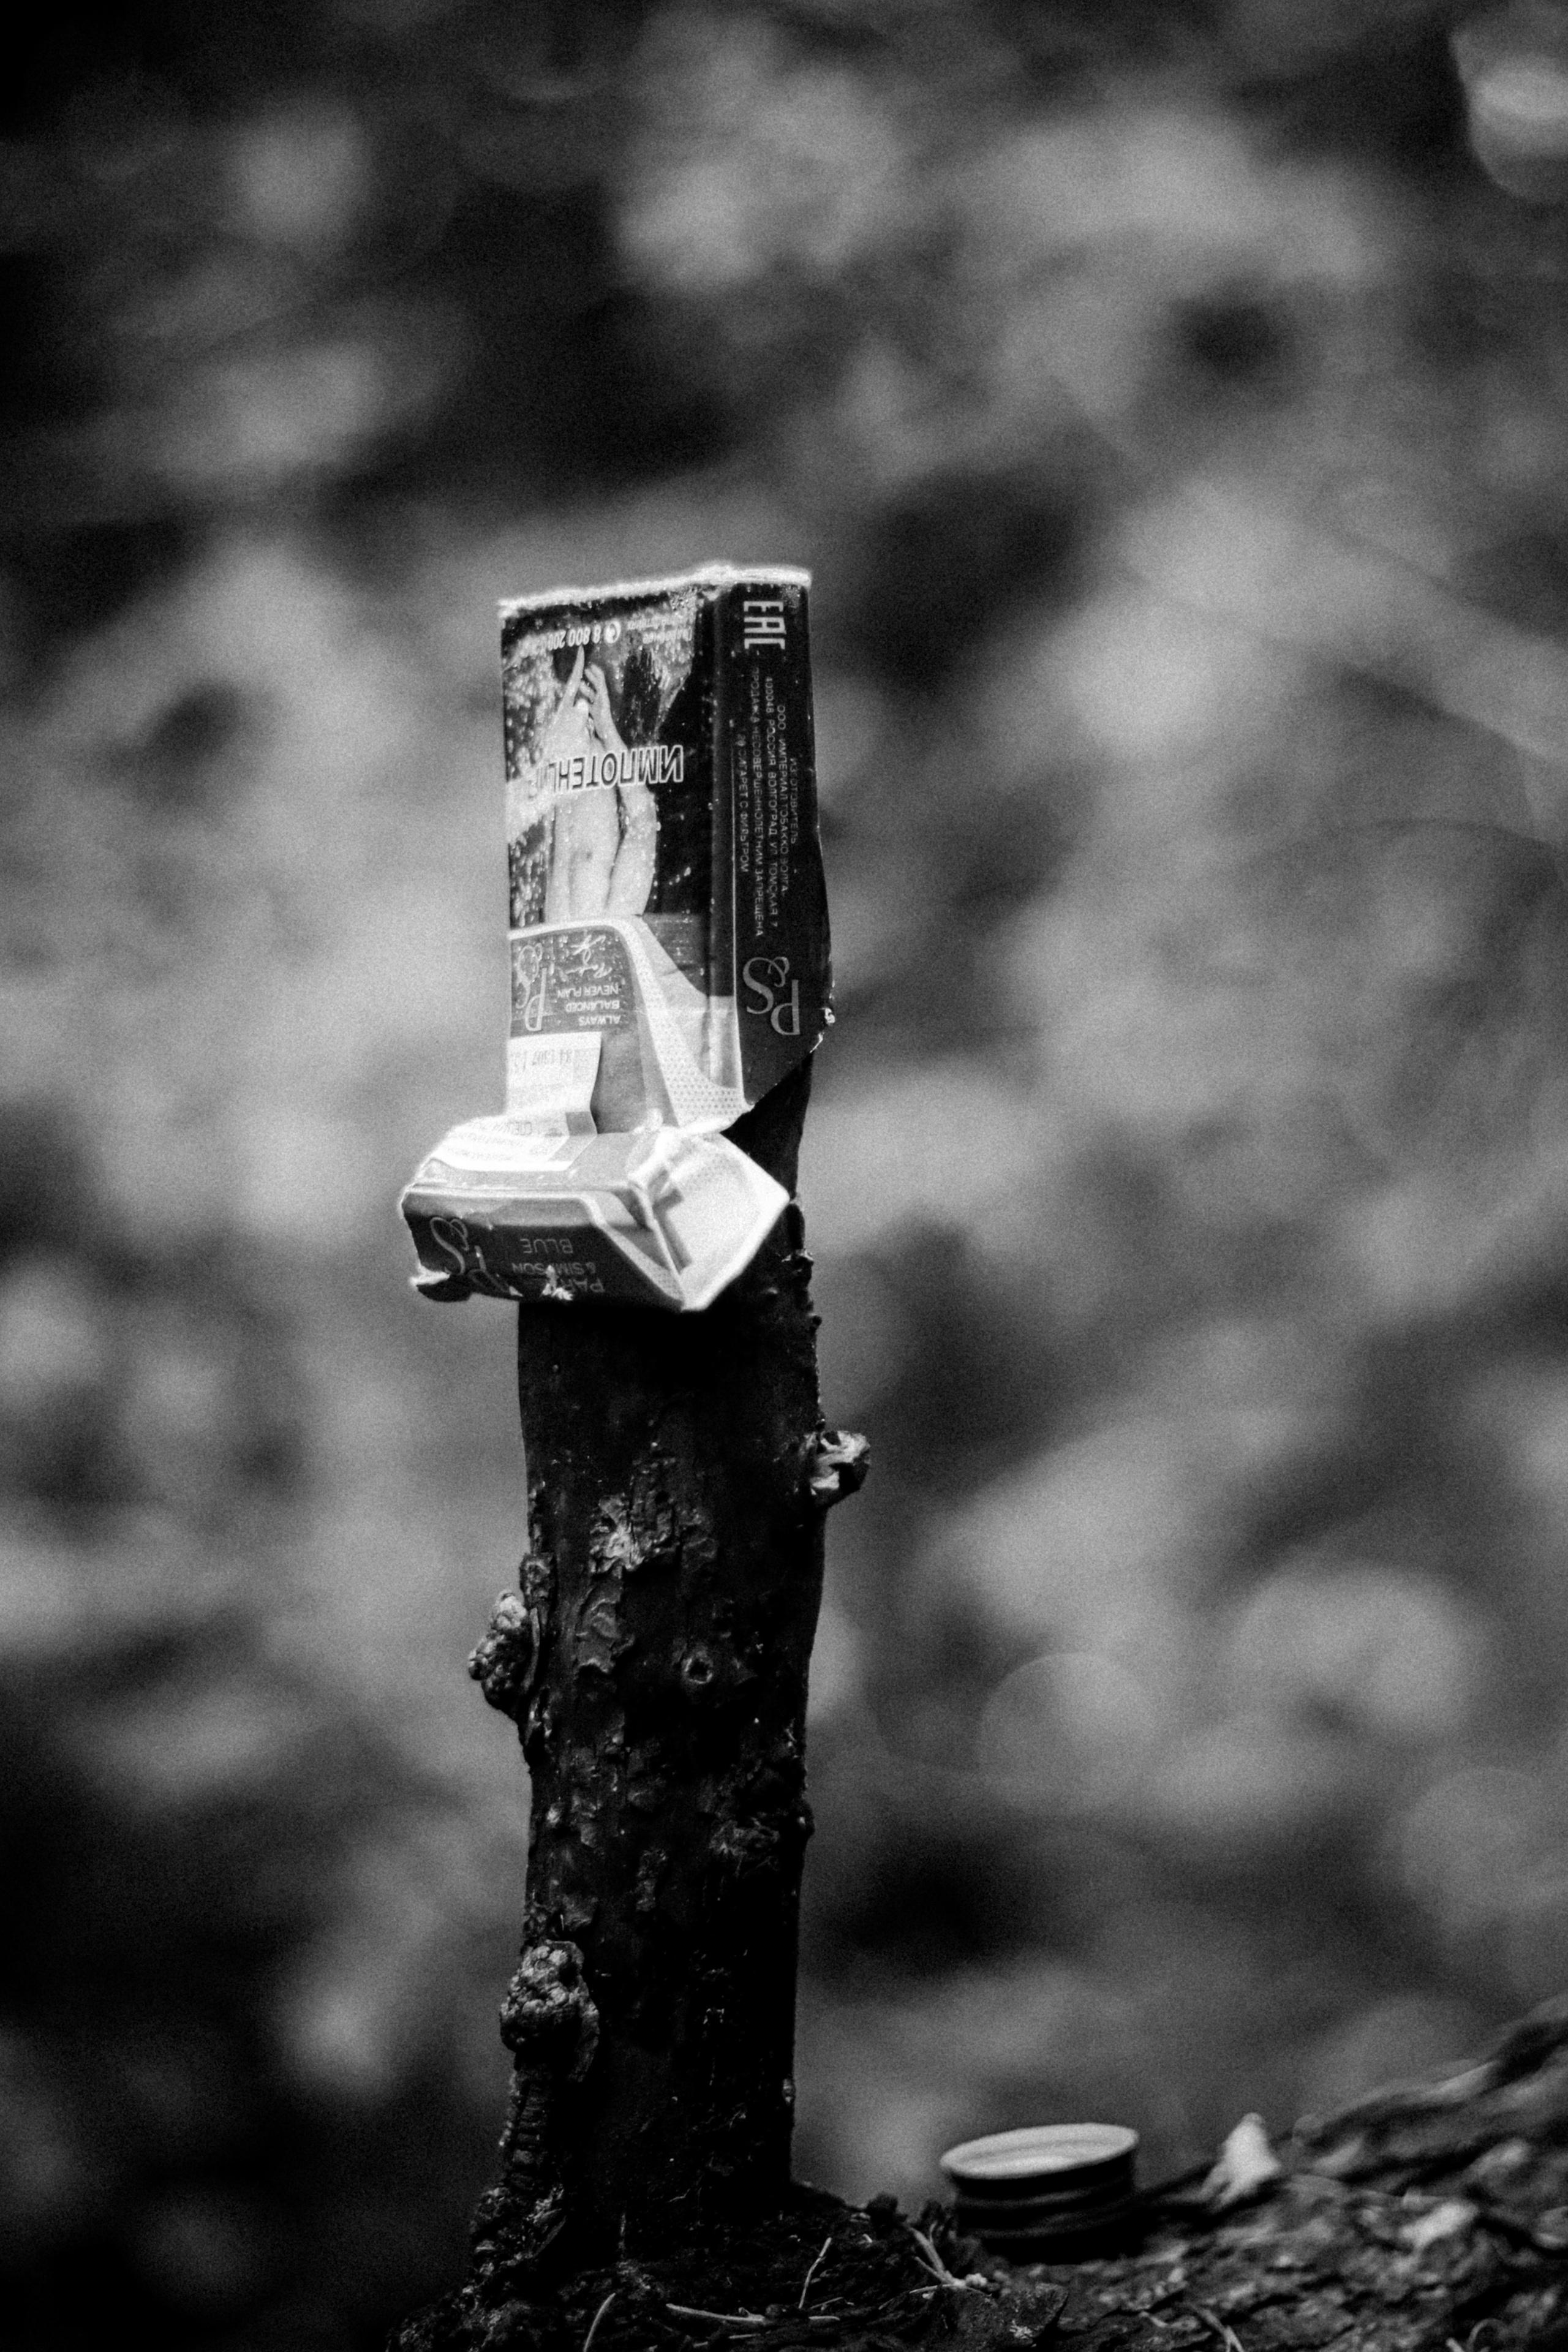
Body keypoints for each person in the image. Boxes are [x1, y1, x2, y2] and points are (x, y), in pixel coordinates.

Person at [536, 647, 658, 922]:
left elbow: (644, 819)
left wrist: (605, 728)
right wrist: (604, 729)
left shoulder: (613, 920)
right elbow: (645, 819)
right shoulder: (614, 918)